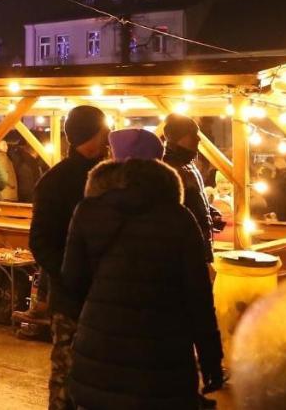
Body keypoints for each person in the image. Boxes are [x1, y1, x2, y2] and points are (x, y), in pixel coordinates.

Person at [63, 152, 223, 409]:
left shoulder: (88, 212)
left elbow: (72, 281)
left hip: (98, 352)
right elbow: (199, 299)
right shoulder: (179, 219)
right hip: (162, 360)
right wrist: (210, 360)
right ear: (171, 187)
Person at [25, 105, 109, 410]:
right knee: (67, 373)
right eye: (104, 129)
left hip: (95, 295)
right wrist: (69, 274)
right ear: (94, 134)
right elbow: (39, 241)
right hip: (73, 299)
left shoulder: (106, 175)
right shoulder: (58, 182)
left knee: (88, 375)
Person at [162, 114, 215, 263]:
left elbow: (192, 199)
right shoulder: (170, 167)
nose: (198, 139)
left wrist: (208, 213)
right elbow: (171, 210)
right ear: (179, 137)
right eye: (193, 134)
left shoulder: (188, 164)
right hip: (184, 248)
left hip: (197, 241)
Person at [8, 136, 45, 203]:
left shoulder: (15, 157)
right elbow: (37, 178)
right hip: (29, 191)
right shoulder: (31, 161)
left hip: (19, 190)